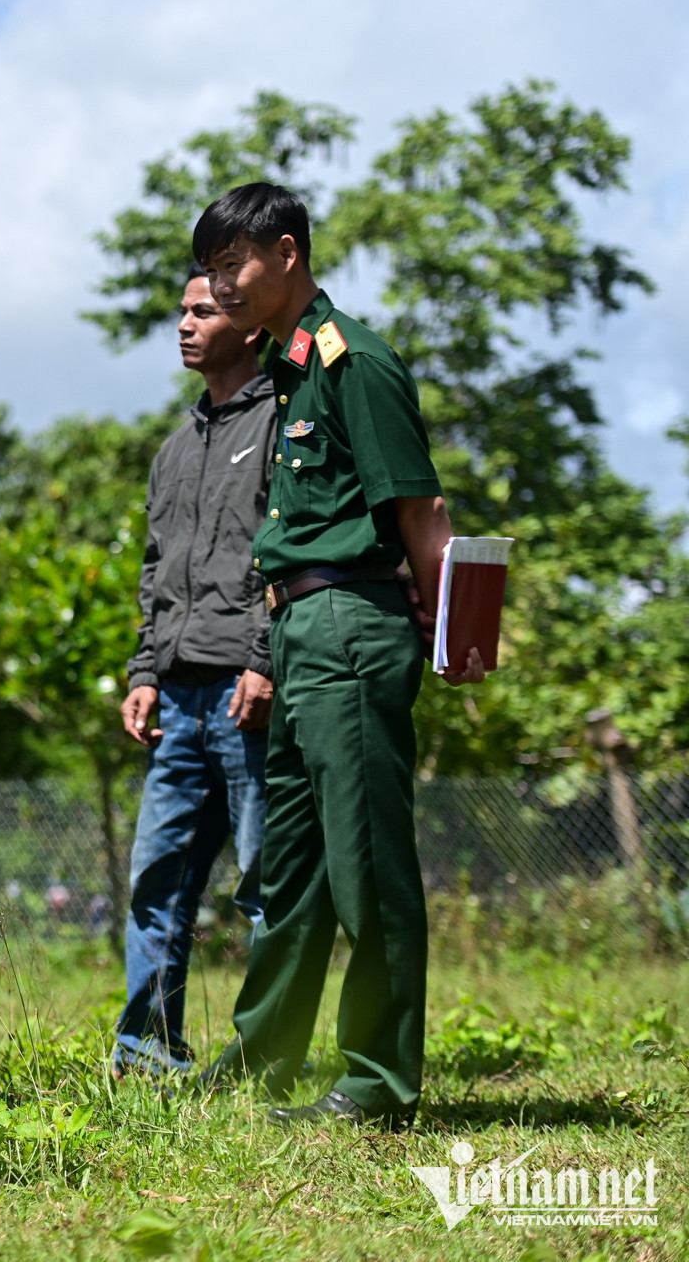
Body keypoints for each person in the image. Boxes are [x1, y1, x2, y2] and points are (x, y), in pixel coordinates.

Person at [191, 184, 485, 1128]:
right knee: (293, 872)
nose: (220, 284)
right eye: (211, 268)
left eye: (233, 264)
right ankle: (263, 1056)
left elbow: (423, 513)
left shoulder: (357, 362)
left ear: (285, 253)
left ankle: (377, 1080)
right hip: (299, 634)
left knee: (367, 866)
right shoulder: (289, 370)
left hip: (355, 628)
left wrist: (455, 637)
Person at [113, 268, 275, 1078]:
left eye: (202, 311)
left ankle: (266, 1051)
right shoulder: (174, 449)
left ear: (248, 324)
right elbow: (156, 570)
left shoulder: (287, 421)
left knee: (264, 882)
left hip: (249, 699)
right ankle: (146, 1050)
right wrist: (145, 668)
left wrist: (264, 657)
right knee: (157, 880)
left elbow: (290, 556)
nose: (183, 324)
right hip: (176, 697)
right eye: (180, 310)